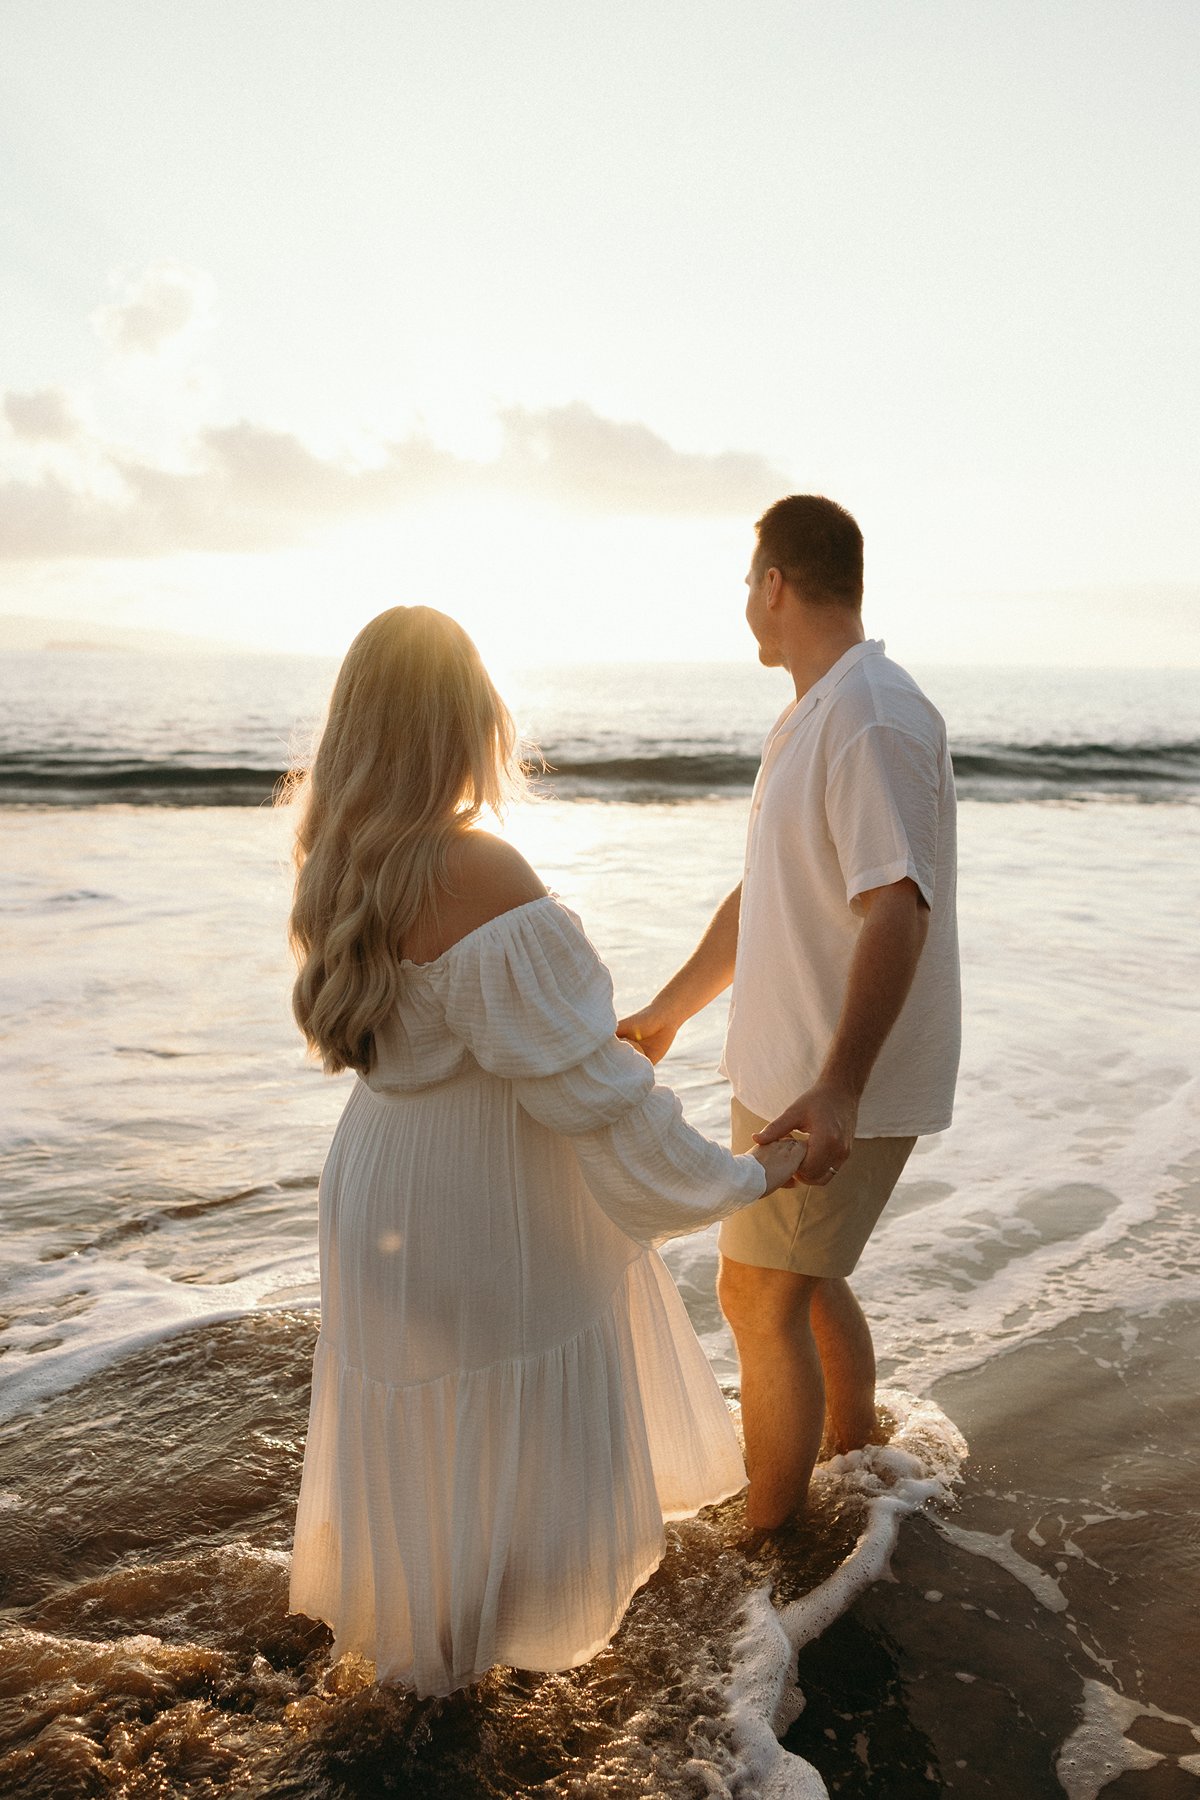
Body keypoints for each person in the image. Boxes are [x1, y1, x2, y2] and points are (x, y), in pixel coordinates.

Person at [283, 604, 804, 1698]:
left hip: (380, 1176)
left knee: (427, 1437)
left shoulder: (336, 857)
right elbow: (602, 1099)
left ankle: (416, 1687)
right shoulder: (477, 869)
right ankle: (458, 1698)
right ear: (467, 721)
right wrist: (758, 1170)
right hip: (475, 1202)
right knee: (505, 1445)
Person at [618, 495, 960, 1532]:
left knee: (756, 1297)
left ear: (774, 582)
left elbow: (896, 905)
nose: (747, 604)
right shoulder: (818, 711)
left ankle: (772, 1540)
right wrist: (668, 1014)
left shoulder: (870, 716)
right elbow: (762, 896)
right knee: (796, 1281)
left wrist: (840, 1087)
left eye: (748, 582)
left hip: (825, 1083)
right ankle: (852, 1455)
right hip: (789, 1077)